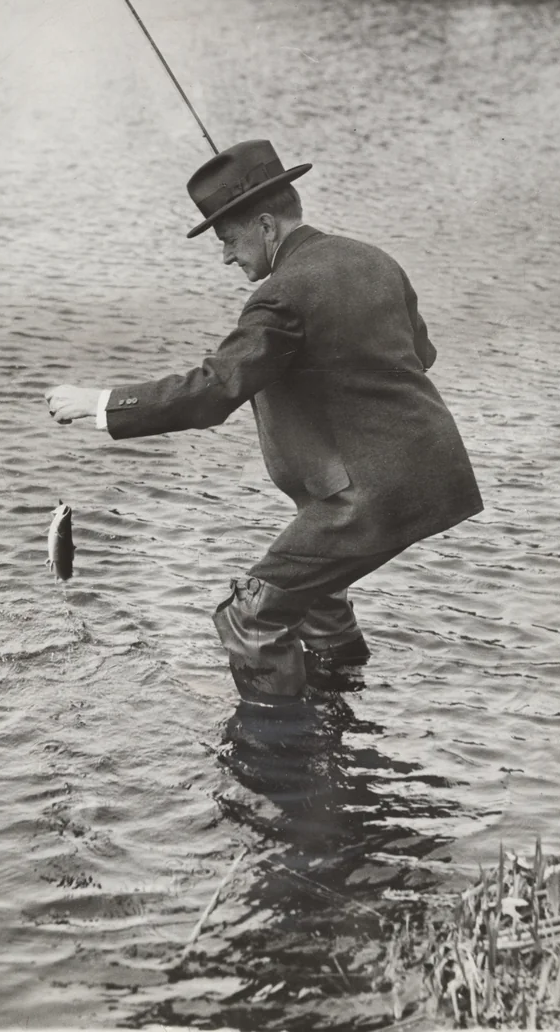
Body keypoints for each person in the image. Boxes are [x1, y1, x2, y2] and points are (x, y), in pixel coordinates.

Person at [45, 139, 483, 708]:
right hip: (436, 475)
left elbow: (212, 391)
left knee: (249, 614)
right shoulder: (374, 259)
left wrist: (102, 403)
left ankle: (279, 753)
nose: (225, 258)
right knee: (314, 597)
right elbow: (420, 357)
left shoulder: (280, 297)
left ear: (267, 225)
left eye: (228, 240)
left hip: (368, 497)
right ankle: (341, 689)